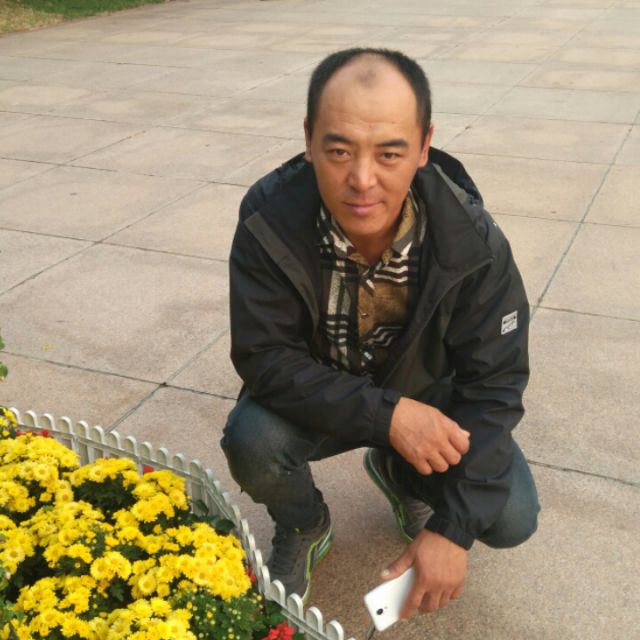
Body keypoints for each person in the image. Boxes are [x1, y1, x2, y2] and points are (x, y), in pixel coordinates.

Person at [221, 47, 540, 619]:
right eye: (339, 151)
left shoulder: (473, 241)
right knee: (254, 442)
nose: (362, 180)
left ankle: (401, 474)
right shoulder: (269, 222)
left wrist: (453, 529)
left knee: (510, 516)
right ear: (309, 139)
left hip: (429, 395)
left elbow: (495, 385)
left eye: (390, 153)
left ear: (424, 145)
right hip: (323, 395)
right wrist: (388, 417)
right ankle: (305, 523)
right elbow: (264, 357)